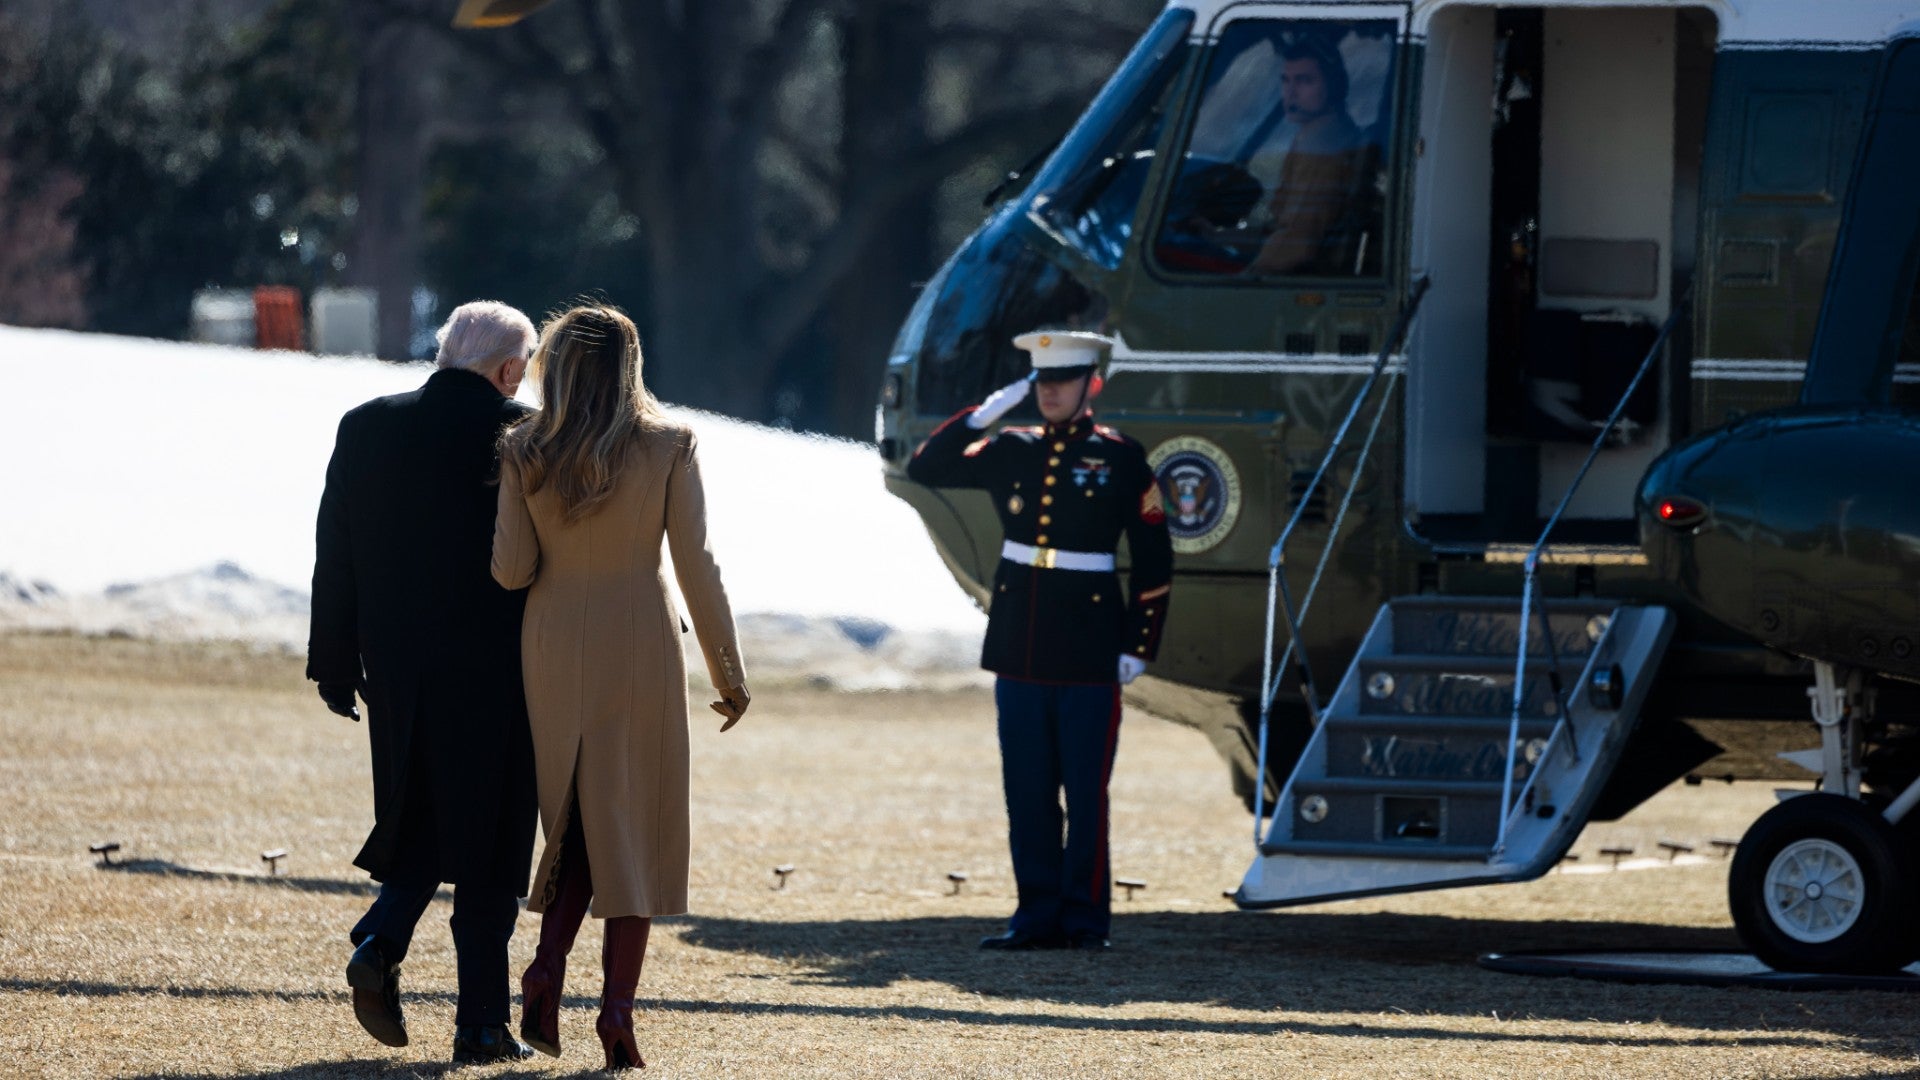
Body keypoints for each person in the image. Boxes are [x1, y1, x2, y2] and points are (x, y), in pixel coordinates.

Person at [492, 305, 750, 1071]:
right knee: (630, 827)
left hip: (550, 642)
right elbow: (696, 565)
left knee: (575, 820)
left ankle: (544, 970)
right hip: (640, 640)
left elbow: (510, 571)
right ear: (631, 365)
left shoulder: (521, 447)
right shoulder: (670, 445)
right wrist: (729, 674)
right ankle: (617, 1011)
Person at [307, 300, 541, 1064]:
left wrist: (335, 663)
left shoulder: (366, 424)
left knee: (420, 815)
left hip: (398, 672)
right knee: (493, 841)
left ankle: (382, 935)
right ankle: (479, 1024)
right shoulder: (522, 432)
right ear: (510, 369)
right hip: (500, 669)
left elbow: (334, 553)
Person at [906, 330, 1173, 950]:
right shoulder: (1012, 447)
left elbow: (1156, 560)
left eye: (1062, 381)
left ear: (1091, 385)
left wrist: (1139, 642)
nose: (1049, 393)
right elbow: (928, 466)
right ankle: (1034, 916)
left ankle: (1083, 921)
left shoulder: (1122, 458)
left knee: (1084, 792)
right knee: (1026, 790)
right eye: (1041, 382)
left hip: (1090, 647)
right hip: (1020, 645)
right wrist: (987, 413)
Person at [1247, 36, 1367, 275]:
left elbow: (1297, 241)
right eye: (1285, 80)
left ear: (1334, 86)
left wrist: (1245, 279)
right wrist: (1215, 235)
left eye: (1304, 81)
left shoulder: (1319, 142)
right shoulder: (1329, 131)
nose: (1290, 93)